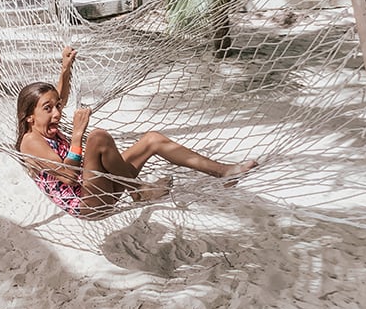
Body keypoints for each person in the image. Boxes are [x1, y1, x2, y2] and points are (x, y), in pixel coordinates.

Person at [16, 46, 258, 218]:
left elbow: (60, 97)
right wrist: (78, 134)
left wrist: (65, 71)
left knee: (152, 140)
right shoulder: (30, 142)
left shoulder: (45, 121)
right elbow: (68, 177)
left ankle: (223, 172)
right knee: (98, 137)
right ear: (29, 116)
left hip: (102, 186)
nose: (57, 113)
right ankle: (138, 191)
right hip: (88, 204)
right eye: (48, 109)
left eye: (57, 106)